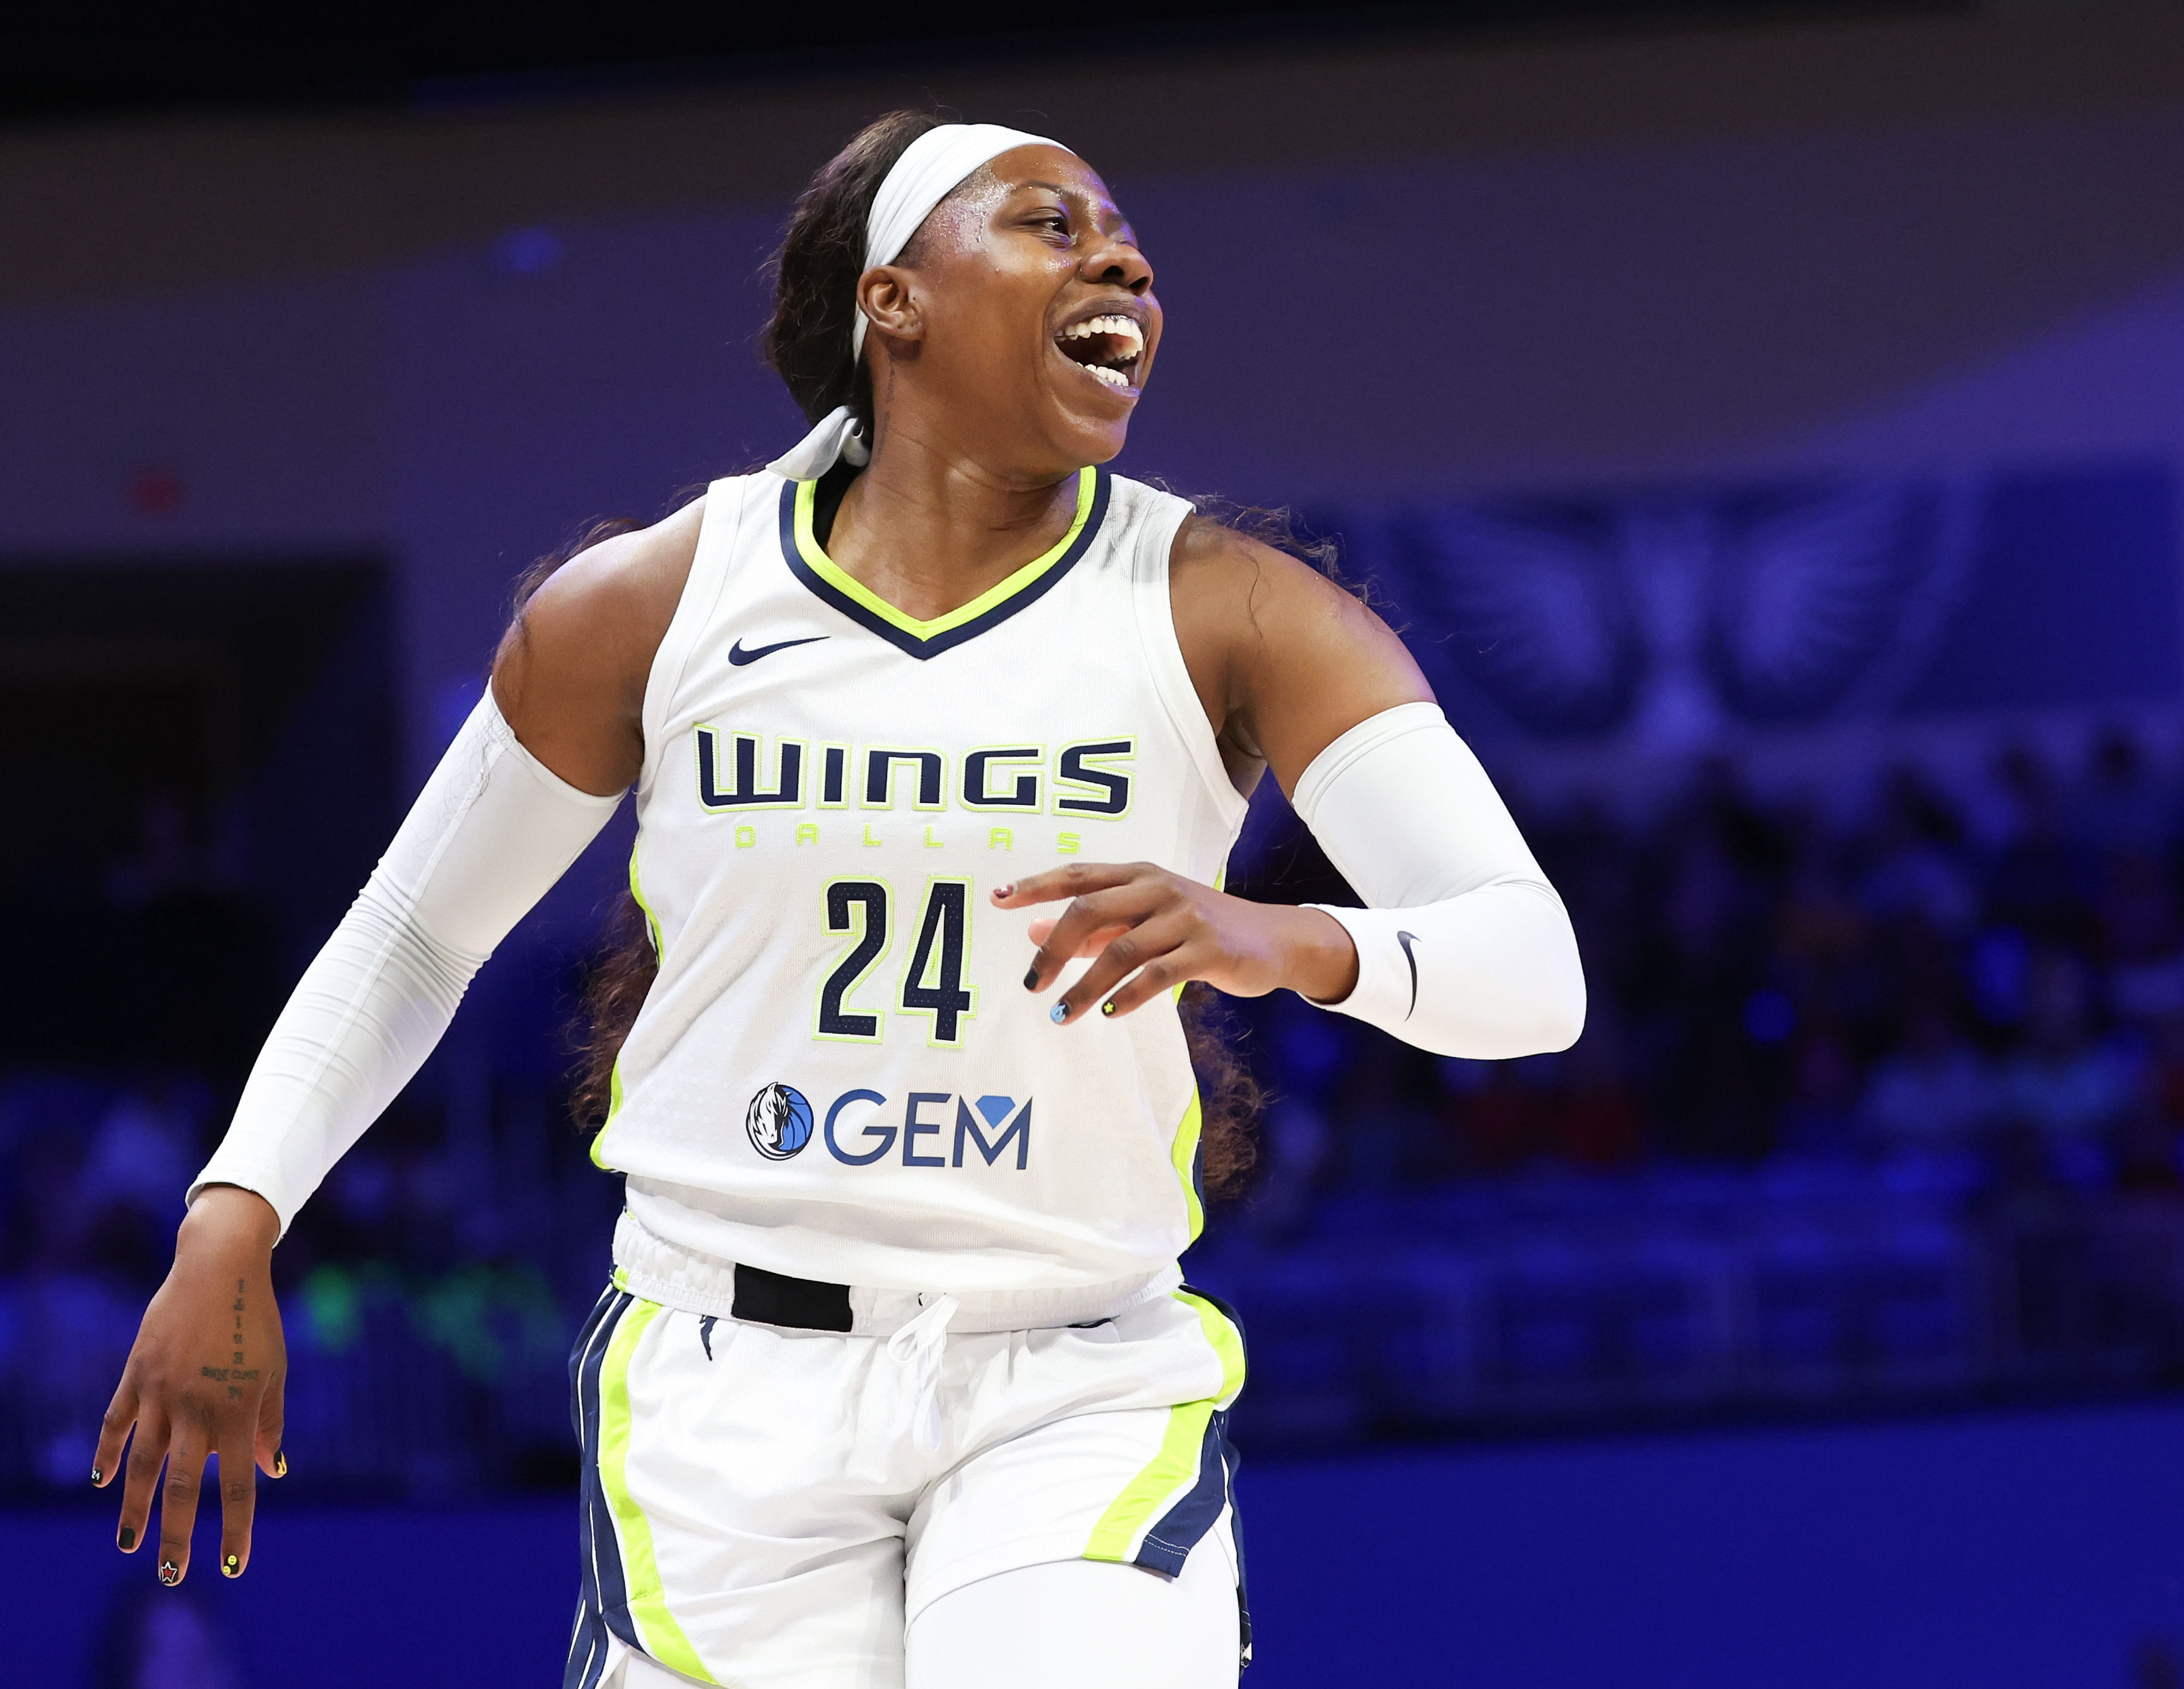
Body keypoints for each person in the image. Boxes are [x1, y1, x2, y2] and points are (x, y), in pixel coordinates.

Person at [91, 113, 1585, 1687]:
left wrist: (1287, 938)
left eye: (1124, 236)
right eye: (1048, 225)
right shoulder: (657, 602)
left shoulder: (1234, 608)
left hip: (1069, 1368)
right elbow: (413, 932)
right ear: (895, 300)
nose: (1122, 260)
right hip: (726, 1386)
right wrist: (233, 1214)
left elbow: (1530, 967)